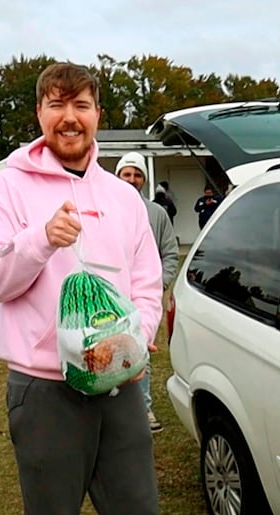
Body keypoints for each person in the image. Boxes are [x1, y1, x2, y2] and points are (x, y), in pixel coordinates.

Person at [0, 62, 163, 515]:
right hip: (45, 393)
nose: (70, 117)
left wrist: (135, 343)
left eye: (81, 105)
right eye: (57, 104)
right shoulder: (7, 189)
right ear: (39, 113)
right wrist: (40, 238)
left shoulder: (123, 197)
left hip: (119, 387)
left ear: (98, 113)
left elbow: (146, 281)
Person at [115, 151, 179, 433]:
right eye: (126, 174)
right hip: (111, 298)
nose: (132, 179)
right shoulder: (105, 208)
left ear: (144, 179)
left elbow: (170, 253)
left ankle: (144, 409)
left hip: (143, 300)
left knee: (141, 351)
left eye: (137, 174)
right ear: (118, 176)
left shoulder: (157, 214)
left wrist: (158, 285)